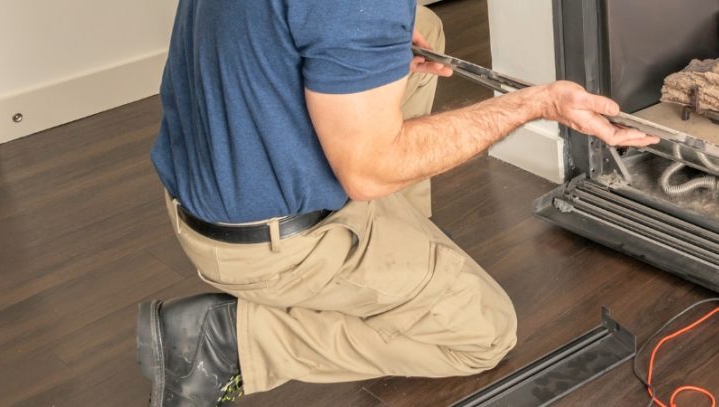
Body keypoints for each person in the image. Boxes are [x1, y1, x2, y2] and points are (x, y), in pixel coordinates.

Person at [135, 0, 657, 405]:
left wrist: (368, 46)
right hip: (269, 243)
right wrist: (534, 104)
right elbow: (367, 171)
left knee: (425, 25)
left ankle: (398, 244)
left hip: (207, 175)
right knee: (484, 334)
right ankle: (230, 339)